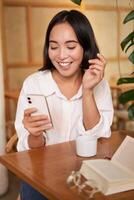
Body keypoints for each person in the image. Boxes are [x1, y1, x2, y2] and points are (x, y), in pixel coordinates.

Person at [15, 9, 113, 200]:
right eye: (53, 46)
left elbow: (98, 139)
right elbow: (29, 151)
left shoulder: (99, 85)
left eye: (70, 46)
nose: (61, 55)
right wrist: (35, 135)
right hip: (40, 175)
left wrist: (87, 91)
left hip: (86, 173)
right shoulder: (34, 84)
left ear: (85, 47)